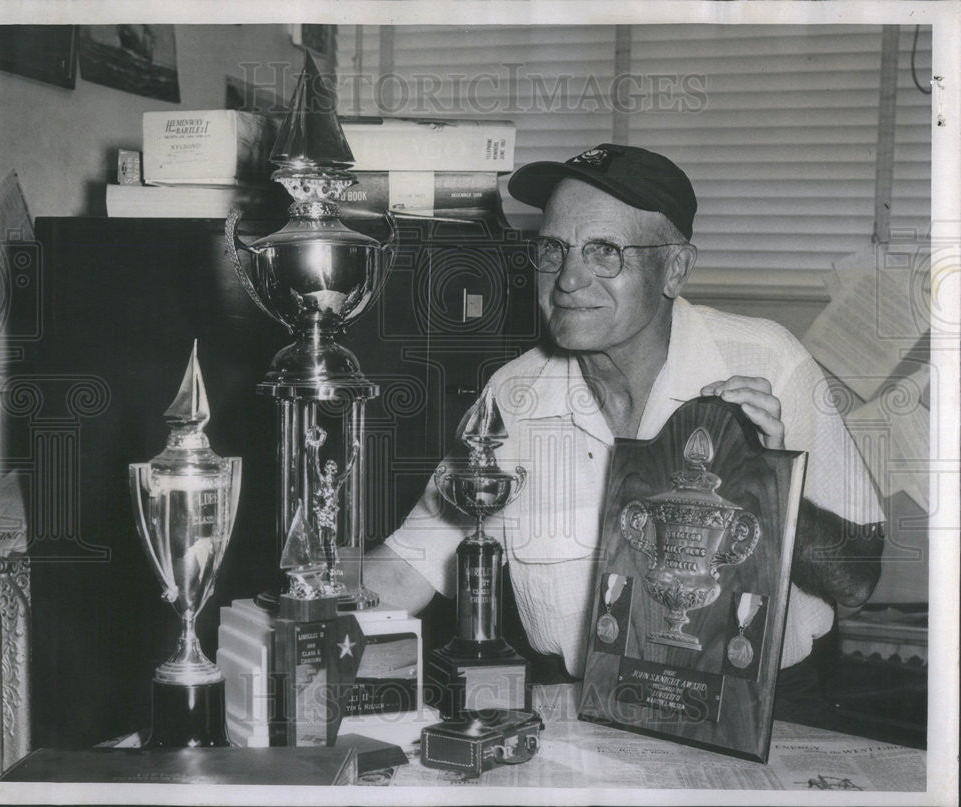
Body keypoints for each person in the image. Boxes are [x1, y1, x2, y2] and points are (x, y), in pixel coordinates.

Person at [364, 143, 885, 714]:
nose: (568, 280)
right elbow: (407, 568)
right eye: (553, 250)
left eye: (604, 252)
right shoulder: (513, 395)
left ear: (675, 269)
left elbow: (857, 580)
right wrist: (291, 620)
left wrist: (762, 486)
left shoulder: (767, 361)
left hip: (759, 711)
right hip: (586, 710)